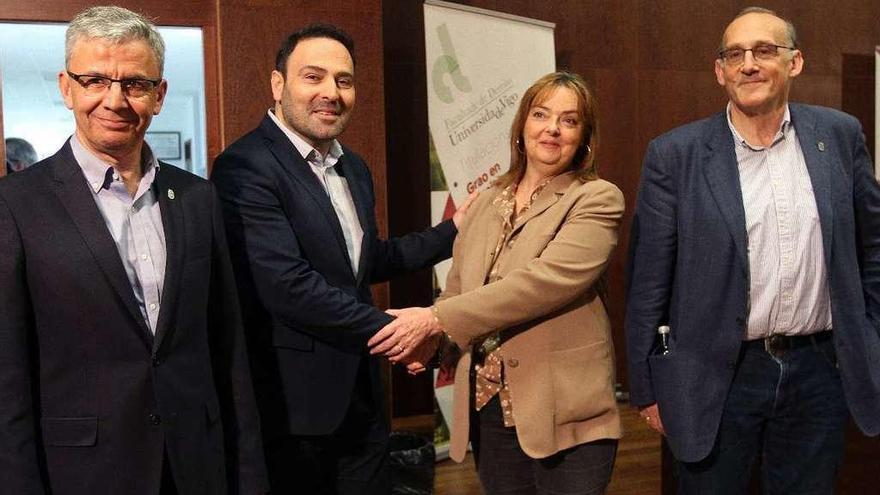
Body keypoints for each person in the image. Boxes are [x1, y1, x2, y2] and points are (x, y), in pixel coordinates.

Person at [0, 6, 268, 494]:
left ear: (159, 95)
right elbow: (8, 377)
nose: (114, 100)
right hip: (82, 474)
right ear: (67, 88)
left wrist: (249, 477)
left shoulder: (197, 198)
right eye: (95, 80)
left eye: (135, 84)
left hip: (194, 466)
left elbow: (228, 349)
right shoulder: (15, 204)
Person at [626, 7, 880, 494]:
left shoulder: (840, 136)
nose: (749, 64)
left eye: (765, 50)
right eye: (735, 54)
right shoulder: (674, 155)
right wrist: (647, 387)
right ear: (719, 70)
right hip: (715, 376)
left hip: (818, 372)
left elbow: (873, 246)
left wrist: (871, 335)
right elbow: (649, 283)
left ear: (795, 62)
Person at [211, 23, 472, 495]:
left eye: (344, 81)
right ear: (278, 85)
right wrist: (400, 335)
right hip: (294, 409)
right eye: (313, 77)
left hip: (362, 396)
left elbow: (366, 260)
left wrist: (453, 231)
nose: (331, 93)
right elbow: (288, 286)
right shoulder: (244, 166)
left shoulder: (351, 166)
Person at [369, 71, 624, 495]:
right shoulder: (487, 200)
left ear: (585, 137)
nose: (552, 129)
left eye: (569, 120)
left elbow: (542, 283)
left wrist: (435, 319)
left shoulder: (597, 198)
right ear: (522, 126)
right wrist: (437, 345)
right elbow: (459, 289)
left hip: (564, 409)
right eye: (541, 114)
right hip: (489, 409)